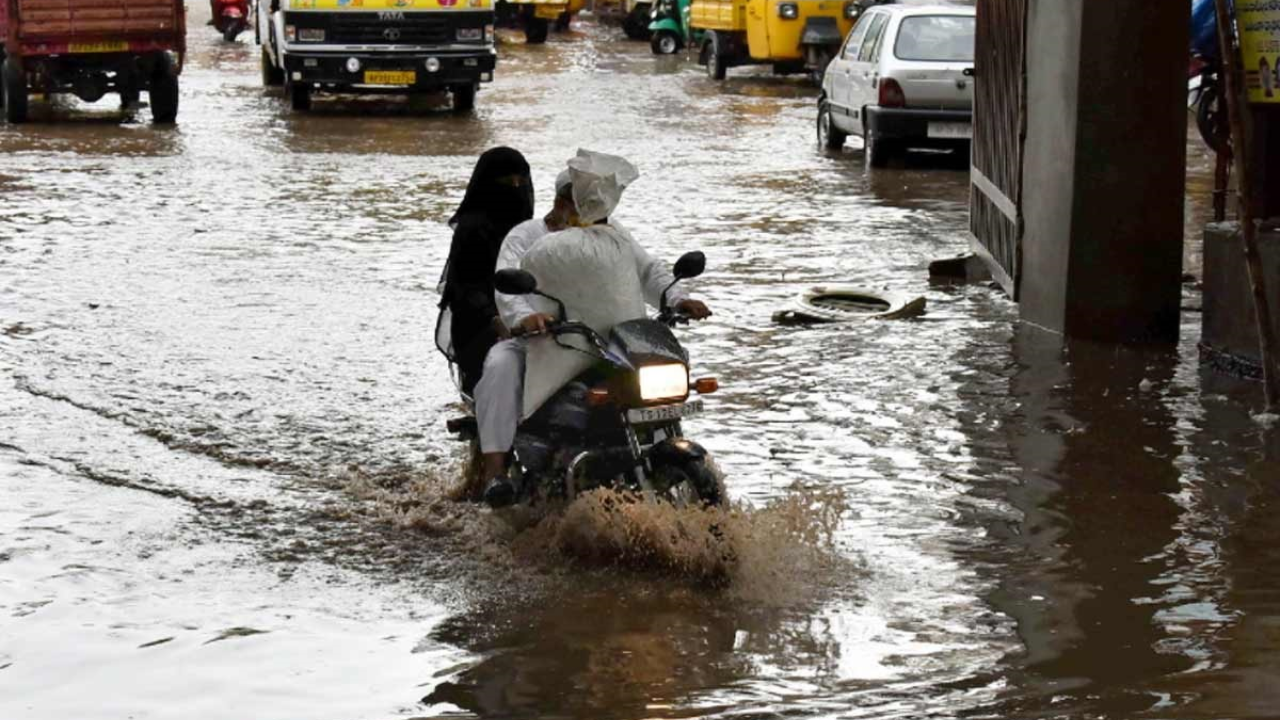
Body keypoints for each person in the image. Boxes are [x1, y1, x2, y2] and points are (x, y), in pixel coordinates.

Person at [474, 150, 711, 507]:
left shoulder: (612, 235)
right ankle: (495, 472)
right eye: (580, 201)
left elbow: (648, 271)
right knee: (499, 365)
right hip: (543, 342)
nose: (591, 209)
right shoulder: (527, 236)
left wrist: (676, 298)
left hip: (610, 342)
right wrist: (524, 318)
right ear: (561, 201)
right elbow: (506, 284)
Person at [437, 147, 535, 394]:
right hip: (479, 323)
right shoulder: (472, 229)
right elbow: (464, 286)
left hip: (522, 317)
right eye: (506, 180)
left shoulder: (530, 230)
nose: (515, 187)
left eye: (520, 180)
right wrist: (494, 318)